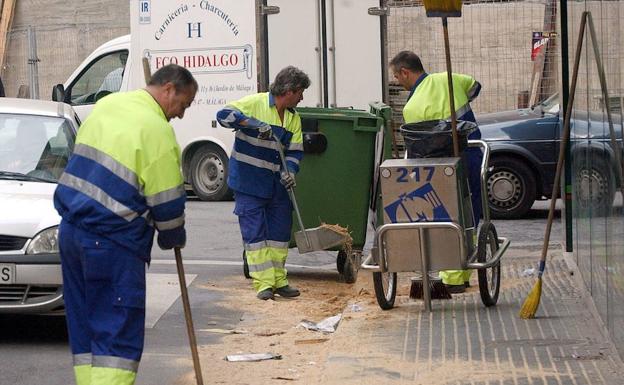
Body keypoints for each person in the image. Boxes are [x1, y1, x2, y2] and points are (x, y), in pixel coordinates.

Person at [54, 63, 197, 385]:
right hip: (111, 242)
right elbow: (168, 201)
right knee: (116, 334)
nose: (181, 114)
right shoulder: (156, 129)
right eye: (183, 105)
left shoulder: (108, 105)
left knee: (87, 329)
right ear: (169, 89)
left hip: (71, 233)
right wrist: (173, 235)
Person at [390, 50, 482, 294]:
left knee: (444, 213)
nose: (398, 82)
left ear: (405, 72)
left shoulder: (412, 107)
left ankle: (451, 275)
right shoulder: (451, 79)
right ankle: (463, 272)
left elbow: (418, 148)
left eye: (397, 77)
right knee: (469, 213)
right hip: (470, 155)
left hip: (439, 169)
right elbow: (476, 88)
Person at [216, 66, 310, 301]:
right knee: (255, 234)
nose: (302, 97)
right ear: (289, 91)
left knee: (280, 233)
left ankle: (279, 280)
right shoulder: (255, 103)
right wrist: (251, 123)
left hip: (276, 185)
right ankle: (264, 284)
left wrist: (291, 172)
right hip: (249, 183)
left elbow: (295, 152)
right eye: (300, 93)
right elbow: (223, 115)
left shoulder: (293, 118)